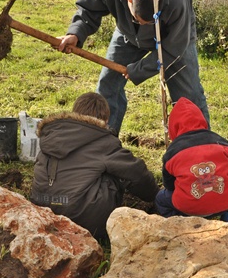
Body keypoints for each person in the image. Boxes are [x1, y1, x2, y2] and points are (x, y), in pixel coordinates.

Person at [57, 0, 209, 136]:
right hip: (128, 35)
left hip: (174, 40)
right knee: (107, 87)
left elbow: (173, 49)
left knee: (189, 97)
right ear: (129, 0)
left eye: (151, 22)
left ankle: (204, 151)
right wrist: (76, 33)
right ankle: (102, 145)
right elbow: (89, 9)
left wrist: (139, 70)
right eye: (139, 20)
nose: (145, 25)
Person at [29, 92, 159, 239]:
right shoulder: (103, 141)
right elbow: (137, 172)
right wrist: (155, 196)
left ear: (74, 114)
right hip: (84, 220)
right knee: (117, 171)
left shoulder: (51, 135)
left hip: (41, 210)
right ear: (105, 120)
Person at [155, 97, 228, 222]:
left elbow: (168, 185)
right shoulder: (220, 141)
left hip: (188, 207)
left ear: (173, 128)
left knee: (160, 199)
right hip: (227, 202)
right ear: (202, 120)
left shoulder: (172, 152)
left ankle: (178, 227)